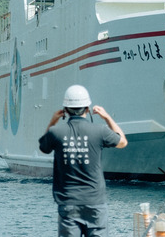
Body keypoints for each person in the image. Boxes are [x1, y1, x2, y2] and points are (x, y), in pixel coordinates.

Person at [39, 84, 128, 237]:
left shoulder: (55, 132)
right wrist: (107, 117)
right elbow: (123, 142)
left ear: (65, 110)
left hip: (68, 203)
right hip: (95, 202)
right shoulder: (100, 130)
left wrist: (53, 121)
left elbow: (43, 147)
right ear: (87, 108)